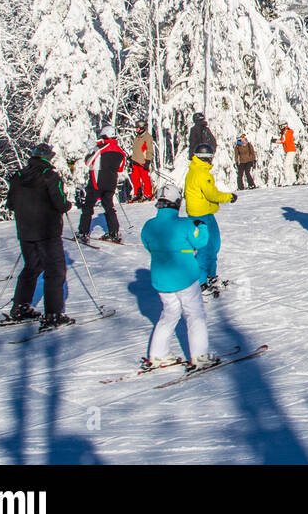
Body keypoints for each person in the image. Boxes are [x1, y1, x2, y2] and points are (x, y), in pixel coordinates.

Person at [140, 183, 218, 369]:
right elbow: (201, 241)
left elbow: (147, 244)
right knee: (195, 315)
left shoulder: (149, 226)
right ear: (177, 203)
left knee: (169, 314)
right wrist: (203, 226)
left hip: (161, 280)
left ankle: (158, 355)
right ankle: (199, 356)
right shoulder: (185, 224)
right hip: (185, 277)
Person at [5, 143, 73, 328]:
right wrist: (68, 205)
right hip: (47, 231)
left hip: (25, 231)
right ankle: (53, 314)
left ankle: (20, 306)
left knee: (32, 267)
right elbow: (60, 203)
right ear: (48, 158)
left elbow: (10, 204)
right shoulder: (50, 176)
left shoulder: (18, 176)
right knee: (55, 271)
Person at [184, 142, 235, 294]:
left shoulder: (196, 170)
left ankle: (210, 275)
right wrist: (229, 197)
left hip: (204, 213)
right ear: (207, 158)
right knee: (206, 248)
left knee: (213, 245)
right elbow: (211, 194)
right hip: (201, 215)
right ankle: (201, 282)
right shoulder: (201, 173)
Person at [77, 126, 125, 244]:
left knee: (88, 207)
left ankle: (83, 232)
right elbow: (120, 168)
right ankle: (114, 232)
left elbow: (88, 161)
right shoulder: (120, 151)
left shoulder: (100, 148)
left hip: (96, 183)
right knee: (109, 207)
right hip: (111, 183)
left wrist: (91, 150)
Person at [129, 121, 154, 203]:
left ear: (142, 128)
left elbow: (149, 150)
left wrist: (148, 161)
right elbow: (136, 150)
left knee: (145, 179)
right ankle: (137, 194)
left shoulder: (147, 137)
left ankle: (148, 194)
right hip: (135, 162)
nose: (136, 129)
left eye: (138, 127)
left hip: (143, 162)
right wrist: (132, 159)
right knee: (135, 178)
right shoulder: (137, 137)